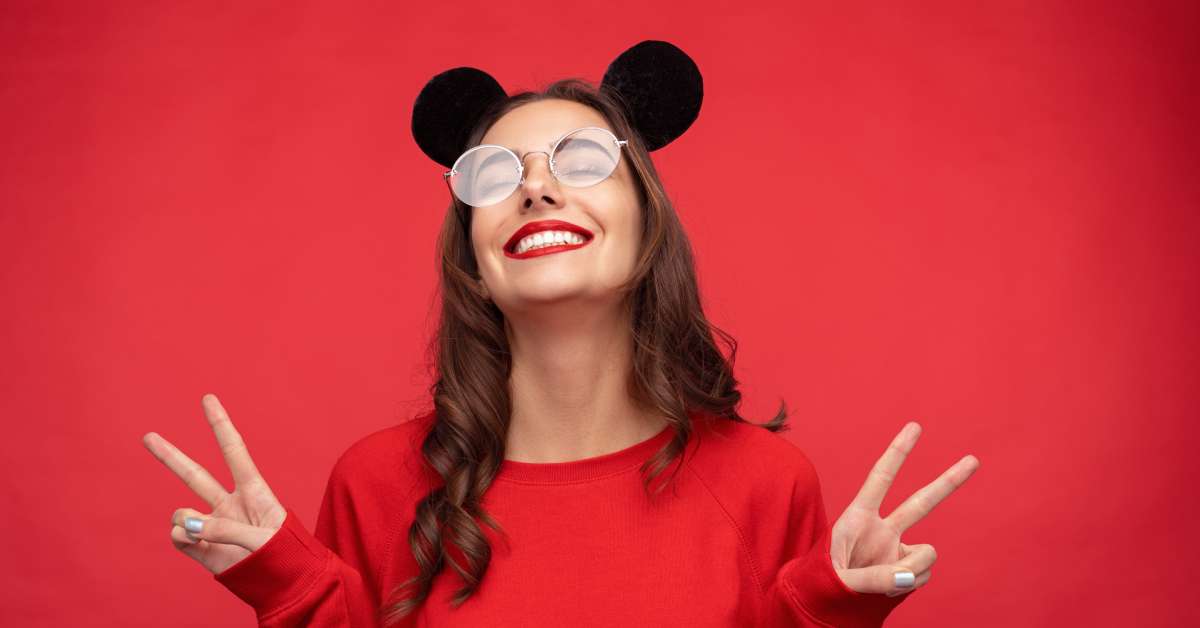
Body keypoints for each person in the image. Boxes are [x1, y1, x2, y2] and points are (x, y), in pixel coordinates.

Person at [142, 41, 980, 627]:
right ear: (472, 259)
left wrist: (831, 609)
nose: (536, 191)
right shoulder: (375, 484)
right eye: (495, 176)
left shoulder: (766, 483)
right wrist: (290, 587)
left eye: (581, 161)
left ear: (648, 223)